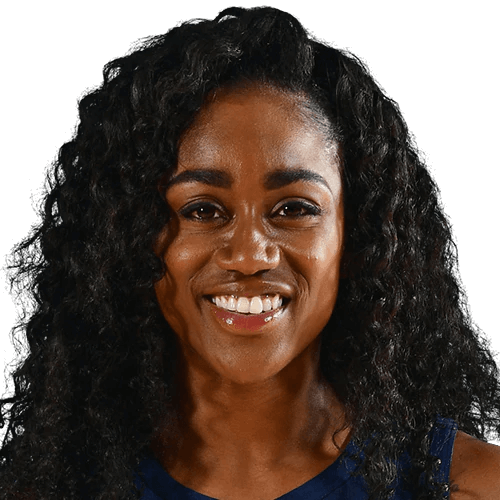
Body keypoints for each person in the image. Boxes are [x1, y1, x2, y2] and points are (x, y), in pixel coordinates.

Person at [1, 5, 499, 499]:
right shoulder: (57, 489)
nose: (249, 256)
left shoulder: (474, 486)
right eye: (202, 210)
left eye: (294, 208)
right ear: (131, 238)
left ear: (357, 235)